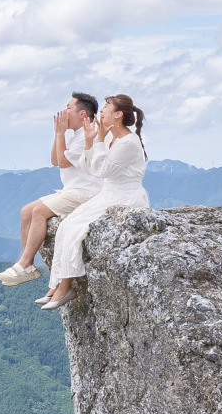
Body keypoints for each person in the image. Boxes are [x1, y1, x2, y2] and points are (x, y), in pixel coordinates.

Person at [39, 92, 149, 308]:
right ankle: (57, 284)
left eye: (107, 106)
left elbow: (101, 170)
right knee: (66, 225)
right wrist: (93, 141)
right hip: (109, 193)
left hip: (124, 196)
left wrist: (96, 140)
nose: (102, 110)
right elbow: (88, 166)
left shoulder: (128, 142)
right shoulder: (114, 139)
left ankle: (65, 287)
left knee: (75, 228)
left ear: (118, 114)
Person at [0, 92, 100, 285]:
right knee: (26, 212)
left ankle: (24, 263)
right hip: (72, 190)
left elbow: (63, 162)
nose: (64, 112)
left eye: (68, 108)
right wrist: (58, 134)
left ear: (83, 114)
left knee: (39, 212)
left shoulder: (87, 136)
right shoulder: (77, 135)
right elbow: (54, 160)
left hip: (84, 193)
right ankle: (27, 266)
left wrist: (60, 133)